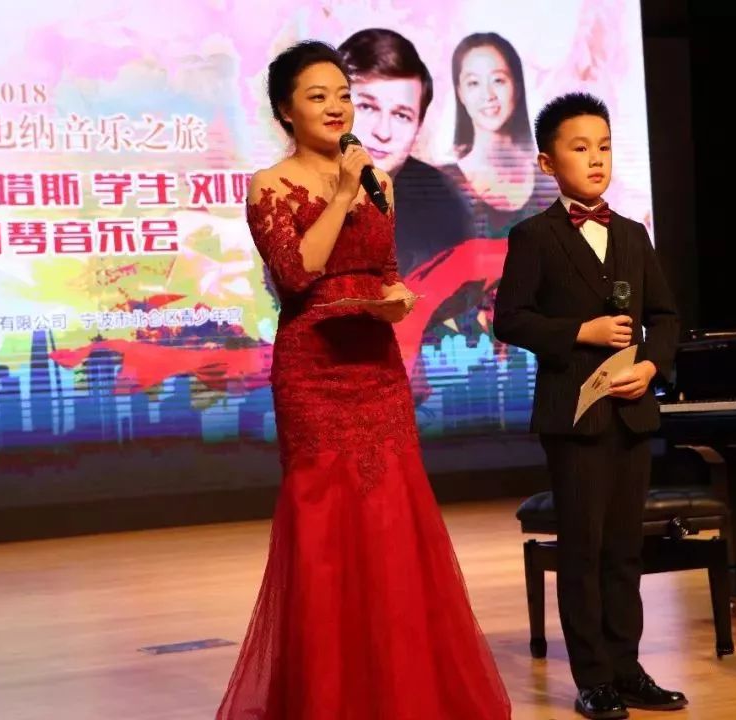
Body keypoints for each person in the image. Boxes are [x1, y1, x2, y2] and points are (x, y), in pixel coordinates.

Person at [214, 40, 511, 720]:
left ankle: (401, 693)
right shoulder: (270, 185)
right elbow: (297, 274)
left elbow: (383, 271)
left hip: (376, 367)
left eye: (342, 96)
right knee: (324, 530)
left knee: (390, 523)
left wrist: (398, 297)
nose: (337, 108)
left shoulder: (383, 180)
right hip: (315, 372)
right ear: (285, 110)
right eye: (318, 97)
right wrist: (343, 193)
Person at [493, 92, 684, 720]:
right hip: (574, 417)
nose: (596, 158)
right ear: (548, 163)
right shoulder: (534, 236)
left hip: (631, 412)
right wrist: (582, 331)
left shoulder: (632, 233)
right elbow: (509, 319)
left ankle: (628, 669)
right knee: (583, 550)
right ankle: (593, 678)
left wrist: (651, 365)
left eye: (603, 146)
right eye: (580, 148)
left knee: (625, 549)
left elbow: (665, 316)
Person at [338, 28, 475, 276]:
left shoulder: (446, 204)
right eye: (367, 107)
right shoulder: (286, 189)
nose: (383, 132)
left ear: (418, 127)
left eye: (401, 115)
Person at [442, 31, 560, 240]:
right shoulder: (443, 183)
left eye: (498, 80)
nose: (488, 95)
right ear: (460, 93)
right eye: (473, 83)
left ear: (516, 87)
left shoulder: (550, 183)